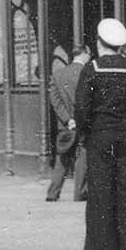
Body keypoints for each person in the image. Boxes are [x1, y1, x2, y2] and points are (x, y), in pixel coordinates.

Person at [74, 18, 126, 250]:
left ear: (98, 43)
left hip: (101, 138)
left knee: (100, 193)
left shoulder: (92, 68)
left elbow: (82, 107)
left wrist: (84, 133)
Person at [47, 45, 90, 202]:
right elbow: (87, 100)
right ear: (84, 54)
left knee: (63, 157)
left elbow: (55, 100)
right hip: (83, 122)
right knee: (82, 156)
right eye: (89, 54)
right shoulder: (87, 73)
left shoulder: (59, 74)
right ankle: (80, 193)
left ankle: (53, 193)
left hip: (65, 125)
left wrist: (67, 119)